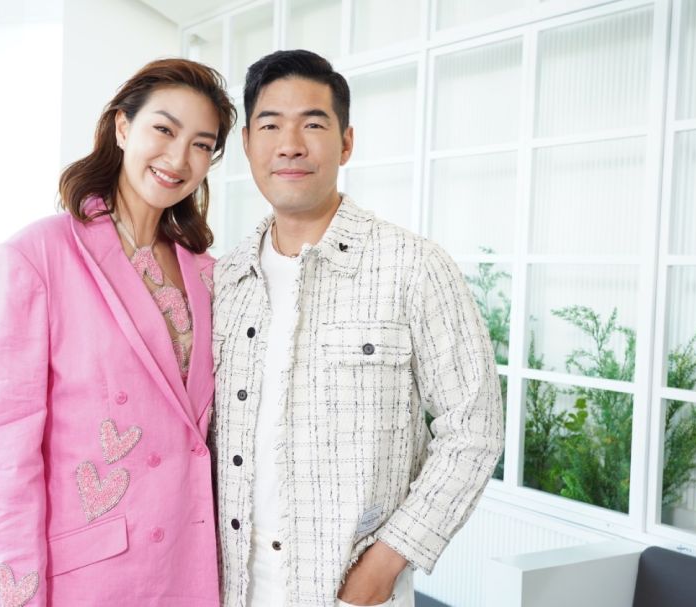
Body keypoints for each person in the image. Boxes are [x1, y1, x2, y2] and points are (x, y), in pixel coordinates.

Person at [211, 49, 504, 607]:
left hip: (348, 591)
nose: (290, 144)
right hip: (232, 588)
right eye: (270, 125)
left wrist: (384, 565)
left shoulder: (414, 266)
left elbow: (474, 429)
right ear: (247, 143)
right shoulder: (226, 280)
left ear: (346, 143)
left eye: (312, 124)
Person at [0, 58, 235, 606]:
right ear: (122, 127)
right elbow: (6, 461)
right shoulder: (34, 258)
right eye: (164, 129)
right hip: (92, 581)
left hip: (192, 568)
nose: (178, 158)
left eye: (201, 145)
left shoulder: (210, 274)